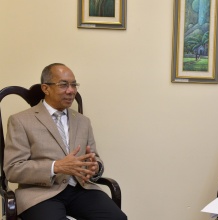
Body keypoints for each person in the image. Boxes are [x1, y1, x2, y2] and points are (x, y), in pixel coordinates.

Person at [4, 63, 127, 220]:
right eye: (63, 85)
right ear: (45, 88)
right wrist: (56, 167)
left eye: (74, 85)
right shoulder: (20, 120)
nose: (71, 90)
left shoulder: (83, 121)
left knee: (117, 218)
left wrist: (96, 167)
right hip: (40, 194)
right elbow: (13, 169)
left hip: (81, 189)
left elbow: (94, 156)